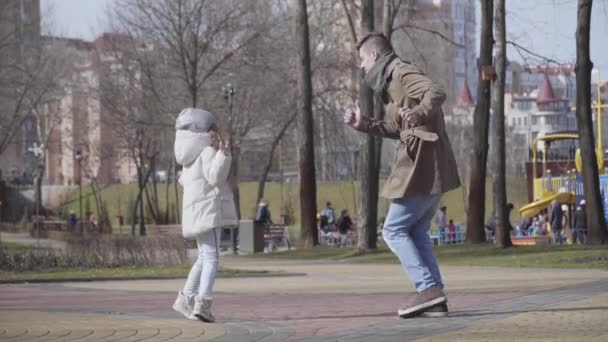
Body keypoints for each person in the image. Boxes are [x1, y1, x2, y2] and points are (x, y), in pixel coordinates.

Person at [344, 33, 460, 318]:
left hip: (422, 164)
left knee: (393, 230)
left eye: (361, 60)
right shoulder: (389, 84)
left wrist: (419, 114)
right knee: (415, 230)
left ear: (373, 56)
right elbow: (398, 129)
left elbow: (436, 92)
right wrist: (364, 124)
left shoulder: (400, 70)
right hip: (426, 163)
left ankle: (427, 287)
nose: (360, 67)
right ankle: (435, 296)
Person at [172, 108, 237, 323]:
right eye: (212, 130)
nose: (214, 134)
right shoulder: (206, 151)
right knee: (211, 258)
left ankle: (185, 299)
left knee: (202, 258)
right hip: (207, 211)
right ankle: (203, 303)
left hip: (194, 211)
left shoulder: (187, 158)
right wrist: (223, 154)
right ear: (203, 132)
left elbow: (186, 182)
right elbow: (215, 178)